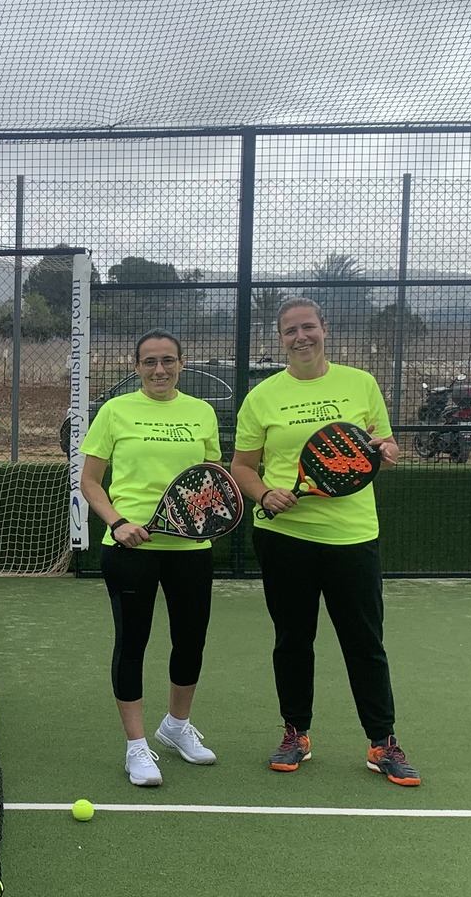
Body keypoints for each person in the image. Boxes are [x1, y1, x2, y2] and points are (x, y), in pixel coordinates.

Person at [228, 297, 420, 785]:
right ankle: (296, 733)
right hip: (284, 538)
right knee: (293, 640)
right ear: (281, 339)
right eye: (290, 331)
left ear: (324, 329)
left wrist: (388, 451)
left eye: (308, 327)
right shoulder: (261, 397)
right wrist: (264, 493)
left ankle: (382, 742)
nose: (301, 337)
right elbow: (242, 468)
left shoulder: (361, 384)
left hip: (353, 538)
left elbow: (383, 446)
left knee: (364, 642)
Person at [78, 330, 223, 788]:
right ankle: (136, 747)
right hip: (129, 550)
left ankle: (176, 727)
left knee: (190, 642)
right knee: (132, 643)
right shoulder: (115, 411)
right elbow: (90, 482)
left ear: (181, 363)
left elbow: (210, 478)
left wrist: (197, 519)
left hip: (191, 551)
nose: (159, 370)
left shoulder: (202, 413)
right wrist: (118, 522)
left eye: (168, 361)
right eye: (150, 362)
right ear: (136, 366)